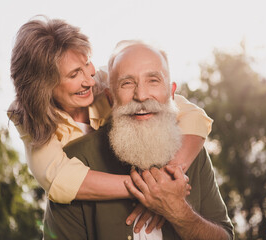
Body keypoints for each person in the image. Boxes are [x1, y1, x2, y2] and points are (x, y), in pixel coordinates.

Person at [8, 16, 213, 230]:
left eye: (87, 62)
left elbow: (189, 114)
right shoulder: (27, 116)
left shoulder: (108, 82)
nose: (89, 79)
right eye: (74, 74)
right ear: (44, 87)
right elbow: (59, 178)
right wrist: (149, 191)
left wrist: (165, 181)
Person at [43, 41, 234, 240]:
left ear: (170, 93)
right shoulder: (76, 159)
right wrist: (147, 189)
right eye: (127, 83)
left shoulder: (193, 152)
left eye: (153, 80)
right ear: (110, 97)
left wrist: (178, 212)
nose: (141, 96)